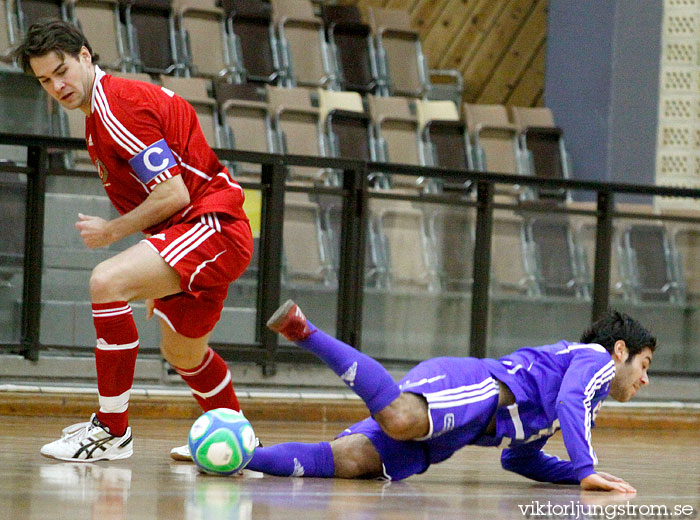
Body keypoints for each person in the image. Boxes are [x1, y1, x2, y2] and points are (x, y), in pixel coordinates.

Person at [13, 20, 253, 461]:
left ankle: (112, 430)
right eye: (46, 80)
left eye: (62, 71)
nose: (57, 85)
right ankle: (240, 438)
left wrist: (111, 233)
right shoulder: (99, 115)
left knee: (106, 280)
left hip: (212, 226)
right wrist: (156, 270)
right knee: (183, 351)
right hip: (195, 233)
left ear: (85, 56)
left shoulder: (116, 108)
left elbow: (173, 193)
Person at [246, 300, 655, 492]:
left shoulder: (572, 392)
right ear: (621, 351)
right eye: (645, 364)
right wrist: (585, 468)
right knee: (399, 417)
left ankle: (239, 455)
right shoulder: (596, 359)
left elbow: (518, 457)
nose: (645, 379)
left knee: (350, 462)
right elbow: (572, 401)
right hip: (474, 386)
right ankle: (306, 332)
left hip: (456, 433)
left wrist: (577, 475)